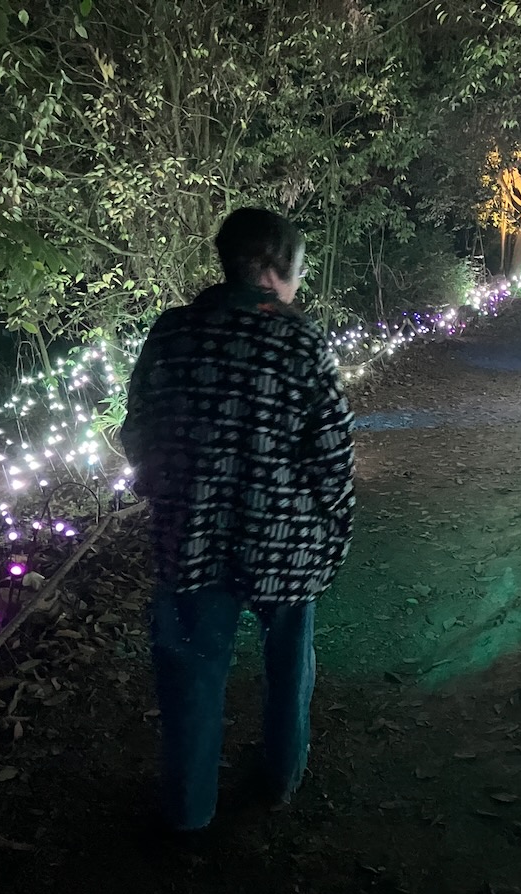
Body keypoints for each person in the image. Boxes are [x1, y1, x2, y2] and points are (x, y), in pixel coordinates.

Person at [121, 207, 355, 833]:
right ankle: (279, 777)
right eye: (297, 271)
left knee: (192, 673)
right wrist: (334, 528)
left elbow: (139, 431)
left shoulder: (172, 333)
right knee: (288, 664)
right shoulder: (300, 339)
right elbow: (331, 452)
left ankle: (190, 810)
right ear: (276, 268)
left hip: (191, 537)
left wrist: (166, 490)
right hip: (286, 540)